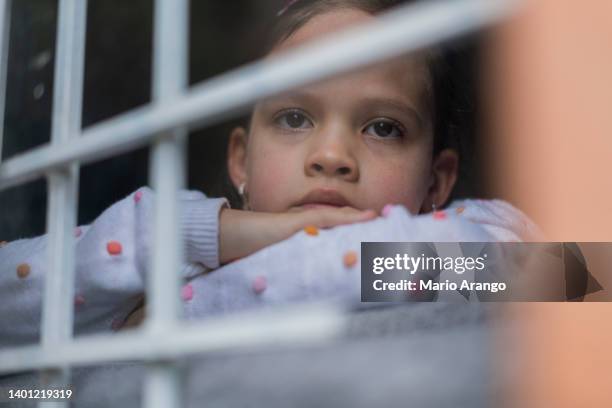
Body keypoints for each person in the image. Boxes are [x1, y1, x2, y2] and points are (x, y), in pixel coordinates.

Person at [0, 0, 540, 347]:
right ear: (241, 162)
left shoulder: (481, 233)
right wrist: (213, 233)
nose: (332, 155)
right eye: (294, 118)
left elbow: (580, 273)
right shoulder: (180, 249)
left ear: (437, 183)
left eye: (382, 128)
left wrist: (175, 317)